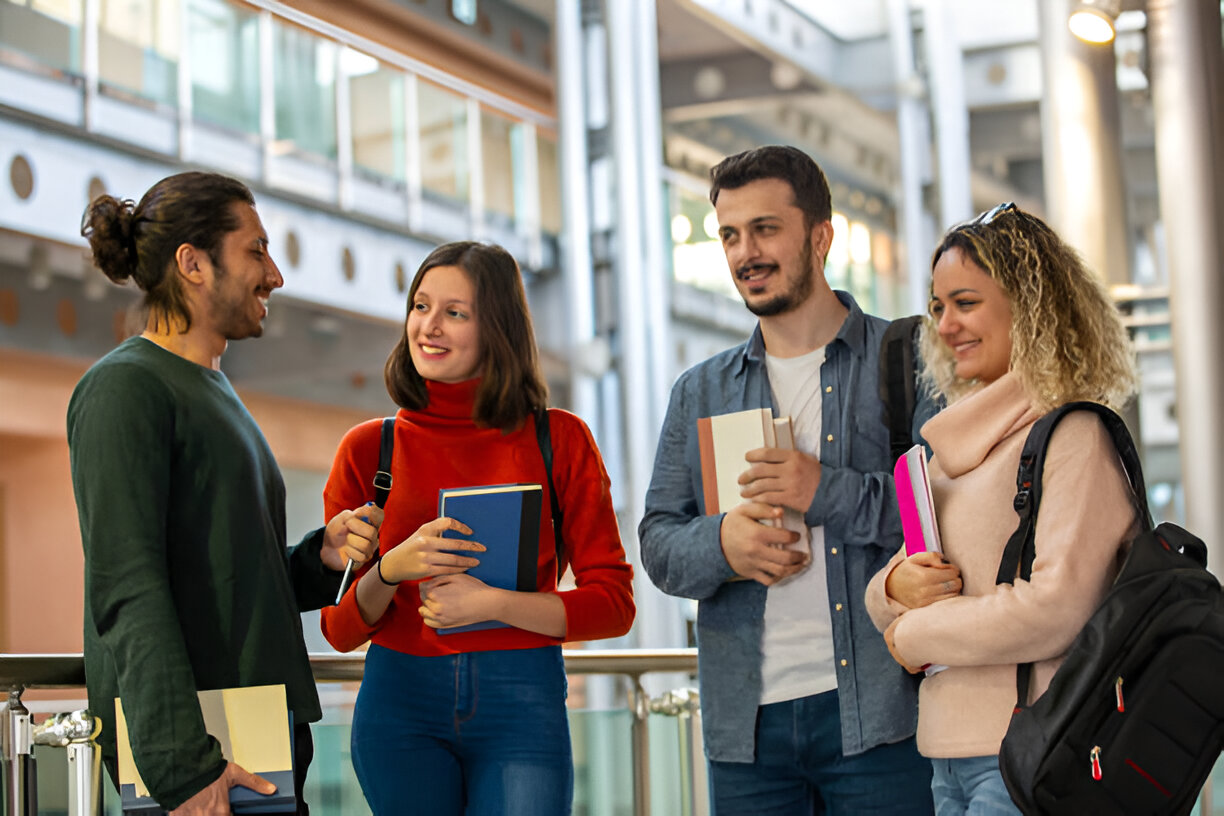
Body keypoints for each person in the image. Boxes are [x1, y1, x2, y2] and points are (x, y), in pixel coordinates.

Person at [69, 171, 381, 815]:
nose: (275, 275)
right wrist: (183, 769)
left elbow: (225, 573)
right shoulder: (125, 389)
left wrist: (316, 558)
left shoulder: (213, 389)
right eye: (256, 250)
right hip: (202, 760)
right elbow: (127, 587)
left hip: (254, 736)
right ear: (193, 264)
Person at [638, 145, 935, 815]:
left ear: (820, 236)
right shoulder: (700, 391)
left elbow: (942, 515)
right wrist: (724, 546)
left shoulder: (906, 361)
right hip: (748, 732)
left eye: (766, 228)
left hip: (884, 717)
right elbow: (657, 543)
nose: (747, 252)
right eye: (730, 235)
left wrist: (820, 489)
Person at [319, 240, 635, 816]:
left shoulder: (559, 439)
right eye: (420, 306)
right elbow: (338, 630)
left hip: (522, 701)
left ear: (497, 329)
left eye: (454, 313)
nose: (428, 327)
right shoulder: (369, 449)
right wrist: (392, 568)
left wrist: (491, 603)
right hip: (398, 704)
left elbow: (614, 605)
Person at [865, 202, 1140, 814]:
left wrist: (913, 632)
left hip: (1026, 750)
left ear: (1029, 306)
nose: (945, 325)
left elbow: (1056, 611)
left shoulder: (1070, 437)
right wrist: (895, 588)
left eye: (965, 303)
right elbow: (893, 588)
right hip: (946, 755)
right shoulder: (947, 452)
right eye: (938, 308)